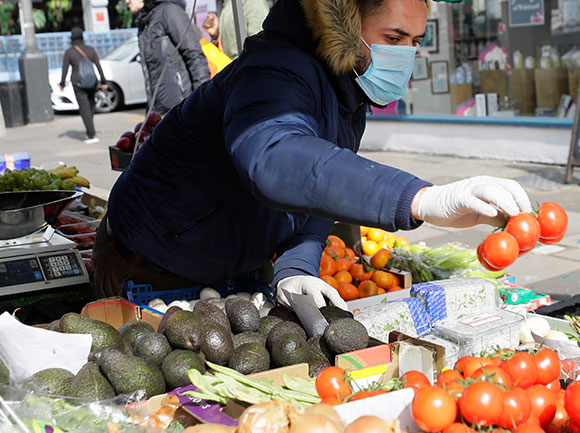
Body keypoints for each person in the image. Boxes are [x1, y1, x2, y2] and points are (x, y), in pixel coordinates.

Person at [94, 0, 533, 308]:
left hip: (226, 268)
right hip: (150, 268)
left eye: (415, 40)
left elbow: (319, 189)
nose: (407, 55)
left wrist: (298, 264)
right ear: (346, 25)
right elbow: (275, 156)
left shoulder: (348, 86)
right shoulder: (274, 70)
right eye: (393, 37)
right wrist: (421, 199)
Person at [126, 0, 210, 114]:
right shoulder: (145, 22)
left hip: (183, 109)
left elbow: (194, 56)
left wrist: (201, 101)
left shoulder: (169, 11)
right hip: (160, 112)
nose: (127, 1)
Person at [59, 27, 107, 144]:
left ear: (72, 38)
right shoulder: (90, 50)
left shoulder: (70, 52)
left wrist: (62, 83)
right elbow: (98, 66)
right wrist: (103, 81)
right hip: (92, 83)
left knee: (84, 108)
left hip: (78, 83)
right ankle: (90, 130)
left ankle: (91, 135)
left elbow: (65, 69)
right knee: (90, 107)